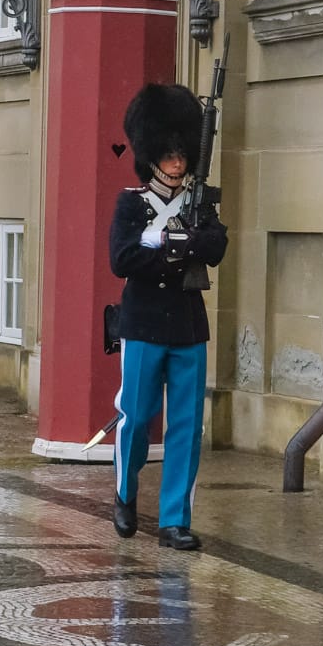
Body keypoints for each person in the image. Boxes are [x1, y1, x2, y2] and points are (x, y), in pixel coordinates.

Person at [109, 81, 227, 550]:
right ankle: (125, 490)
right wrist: (170, 249)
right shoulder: (132, 203)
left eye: (182, 154)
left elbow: (216, 246)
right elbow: (122, 258)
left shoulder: (199, 203)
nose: (177, 162)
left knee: (186, 425)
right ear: (152, 154)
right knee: (136, 418)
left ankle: (175, 517)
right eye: (169, 153)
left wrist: (178, 244)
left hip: (187, 326)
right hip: (141, 324)